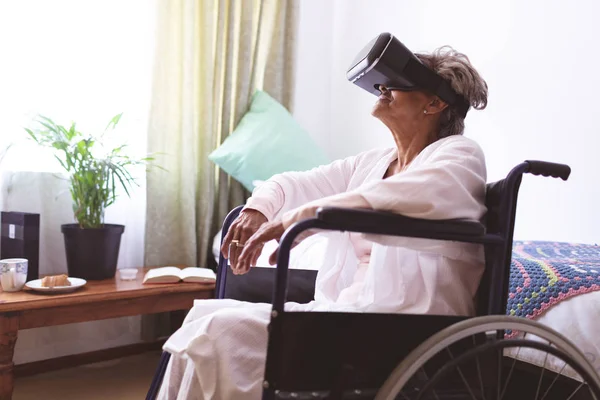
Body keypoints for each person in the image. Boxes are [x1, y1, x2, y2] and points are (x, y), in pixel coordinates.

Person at [158, 46, 489, 399]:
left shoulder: (458, 153)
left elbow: (408, 194)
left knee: (217, 331)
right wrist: (259, 209)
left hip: (402, 324)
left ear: (434, 104)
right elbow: (295, 182)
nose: (382, 90)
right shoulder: (372, 164)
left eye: (396, 84)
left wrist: (301, 218)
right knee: (202, 319)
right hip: (347, 314)